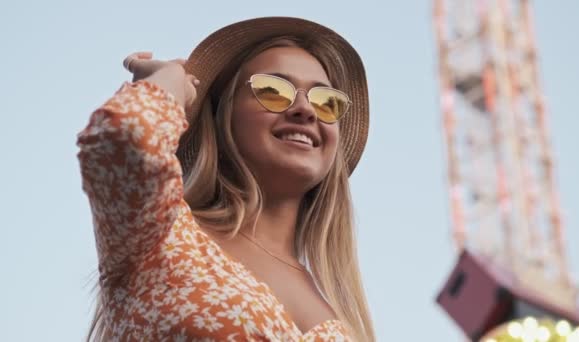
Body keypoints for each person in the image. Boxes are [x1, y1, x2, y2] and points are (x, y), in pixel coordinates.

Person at [77, 16, 374, 341]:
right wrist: (167, 81)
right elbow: (124, 135)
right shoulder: (157, 233)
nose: (305, 110)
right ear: (222, 117)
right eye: (273, 91)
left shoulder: (342, 310)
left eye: (325, 101)